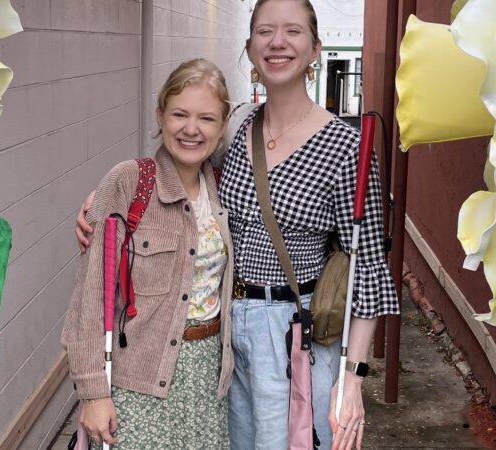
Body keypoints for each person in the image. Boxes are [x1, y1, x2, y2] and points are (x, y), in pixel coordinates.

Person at [77, 2, 399, 449]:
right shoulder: (238, 125)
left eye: (293, 31)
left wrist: (353, 378)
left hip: (289, 333)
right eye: (265, 31)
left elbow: (367, 270)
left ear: (315, 49)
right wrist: (103, 206)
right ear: (249, 47)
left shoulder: (345, 147)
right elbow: (182, 177)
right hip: (224, 335)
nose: (278, 42)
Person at [62, 58, 234, 449]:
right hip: (136, 384)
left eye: (206, 118)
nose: (192, 129)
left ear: (223, 126)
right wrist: (93, 393)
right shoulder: (127, 182)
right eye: (179, 114)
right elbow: (90, 300)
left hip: (208, 380)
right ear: (160, 115)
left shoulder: (225, 188)